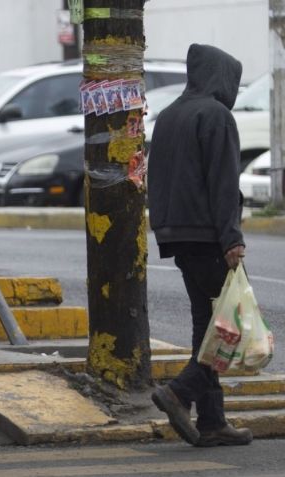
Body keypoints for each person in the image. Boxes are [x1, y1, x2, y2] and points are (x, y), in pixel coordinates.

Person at [148, 43, 252, 448]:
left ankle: (212, 421)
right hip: (209, 235)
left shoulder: (170, 114)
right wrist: (232, 238)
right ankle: (178, 392)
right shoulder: (217, 115)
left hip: (178, 234)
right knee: (225, 329)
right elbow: (223, 183)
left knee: (205, 327)